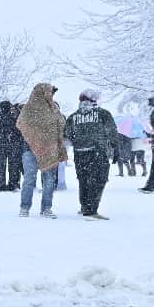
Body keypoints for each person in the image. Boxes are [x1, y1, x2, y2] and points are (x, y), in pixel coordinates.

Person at [65, 89, 119, 220]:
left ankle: (84, 206)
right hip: (98, 151)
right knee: (99, 179)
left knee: (83, 180)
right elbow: (112, 131)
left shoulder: (73, 116)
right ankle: (91, 210)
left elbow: (67, 135)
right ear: (94, 100)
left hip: (79, 153)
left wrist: (78, 142)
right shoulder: (103, 114)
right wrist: (115, 146)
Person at [16, 83, 67, 218]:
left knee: (49, 180)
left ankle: (46, 208)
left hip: (50, 150)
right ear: (41, 92)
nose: (52, 95)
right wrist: (36, 137)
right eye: (50, 92)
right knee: (29, 179)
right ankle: (24, 207)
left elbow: (61, 123)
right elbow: (20, 124)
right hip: (30, 149)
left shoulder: (54, 108)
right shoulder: (28, 109)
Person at [0, 101, 18, 191]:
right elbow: (18, 132)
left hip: (0, 145)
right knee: (12, 165)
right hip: (10, 145)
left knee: (1, 166)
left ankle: (1, 184)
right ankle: (12, 184)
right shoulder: (14, 118)